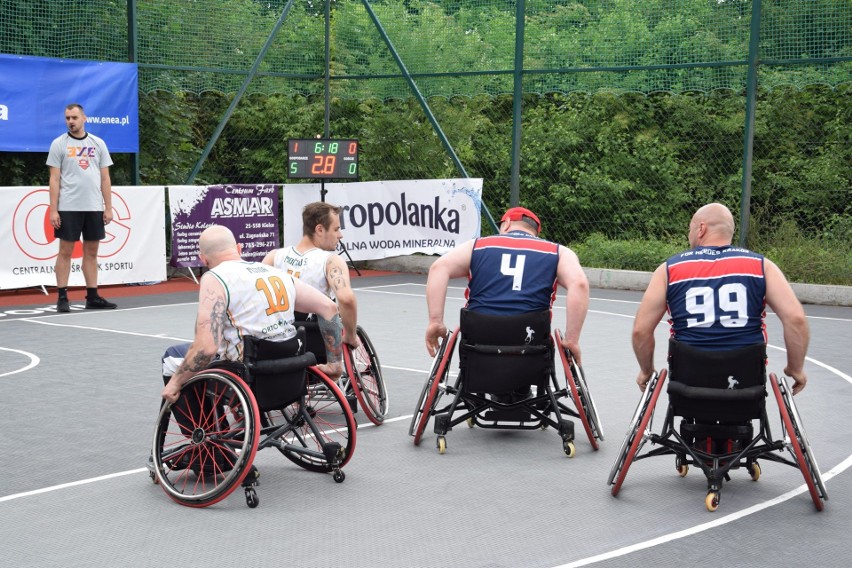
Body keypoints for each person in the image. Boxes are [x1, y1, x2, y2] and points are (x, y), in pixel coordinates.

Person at [631, 202, 809, 395]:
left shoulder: (669, 270)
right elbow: (796, 319)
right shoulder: (761, 266)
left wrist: (646, 370)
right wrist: (795, 368)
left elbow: (641, 331)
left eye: (690, 230)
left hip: (687, 380)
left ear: (701, 228)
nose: (689, 236)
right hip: (746, 380)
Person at [161, 225, 344, 404]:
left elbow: (206, 348)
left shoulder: (215, 277)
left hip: (248, 374)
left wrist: (175, 383)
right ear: (239, 248)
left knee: (173, 357)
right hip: (290, 368)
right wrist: (335, 363)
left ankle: (207, 431)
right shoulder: (274, 272)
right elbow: (329, 308)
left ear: (202, 259)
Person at [425, 206, 590, 364]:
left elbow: (438, 268)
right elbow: (580, 284)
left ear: (508, 223)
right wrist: (572, 340)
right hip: (531, 342)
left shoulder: (477, 246)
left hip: (479, 337)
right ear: (535, 231)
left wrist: (435, 321)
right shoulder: (558, 252)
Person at [46, 103, 116, 313]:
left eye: (74, 117)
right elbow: (54, 179)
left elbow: (105, 177)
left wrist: (108, 207)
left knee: (92, 252)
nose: (71, 121)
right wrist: (53, 210)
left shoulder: (98, 143)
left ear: (84, 118)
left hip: (94, 206)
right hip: (68, 206)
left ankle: (92, 296)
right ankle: (62, 297)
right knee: (65, 251)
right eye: (67, 118)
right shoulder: (59, 144)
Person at [262, 201, 359, 348]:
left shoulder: (274, 257)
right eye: (336, 229)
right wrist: (351, 336)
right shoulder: (331, 261)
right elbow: (346, 299)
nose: (340, 235)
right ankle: (334, 365)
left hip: (279, 339)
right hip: (316, 339)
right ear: (320, 229)